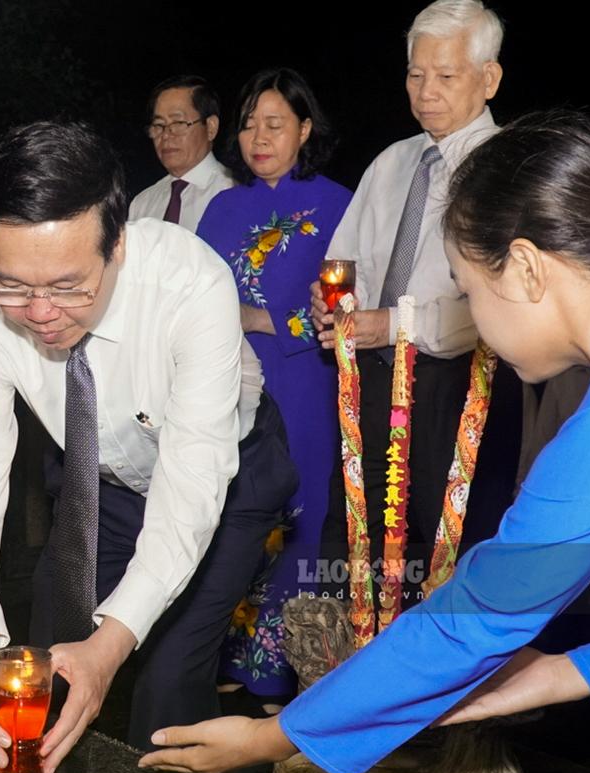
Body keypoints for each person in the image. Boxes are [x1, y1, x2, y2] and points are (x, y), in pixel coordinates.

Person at [139, 109, 590, 773]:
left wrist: (274, 738)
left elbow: (475, 619)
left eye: (467, 292)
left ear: (524, 268)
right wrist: (566, 672)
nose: (476, 322)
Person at [0, 119, 297, 773]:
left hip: (227, 477)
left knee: (165, 678)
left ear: (118, 245)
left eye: (69, 285)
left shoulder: (191, 286)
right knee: (35, 668)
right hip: (104, 488)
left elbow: (191, 486)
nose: (39, 312)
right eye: (12, 284)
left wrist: (111, 644)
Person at [311, 0, 518, 600]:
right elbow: (345, 259)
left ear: (489, 78)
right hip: (370, 381)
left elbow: (495, 305)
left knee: (445, 547)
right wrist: (334, 302)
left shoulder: (507, 169)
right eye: (415, 74)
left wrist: (394, 323)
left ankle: (451, 687)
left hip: (458, 388)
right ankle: (348, 670)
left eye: (446, 76)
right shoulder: (392, 161)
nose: (426, 91)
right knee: (353, 538)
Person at [197, 68, 351, 701]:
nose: (259, 137)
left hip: (305, 381)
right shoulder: (223, 206)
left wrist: (266, 318)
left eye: (275, 124)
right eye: (250, 124)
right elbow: (195, 289)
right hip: (229, 380)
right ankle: (230, 658)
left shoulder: (338, 202)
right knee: (233, 514)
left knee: (303, 517)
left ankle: (292, 668)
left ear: (305, 128)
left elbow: (351, 301)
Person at [128, 76, 234, 231]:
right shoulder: (142, 204)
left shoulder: (233, 191)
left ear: (211, 127)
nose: (165, 135)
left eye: (178, 123)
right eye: (159, 125)